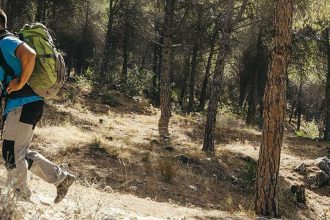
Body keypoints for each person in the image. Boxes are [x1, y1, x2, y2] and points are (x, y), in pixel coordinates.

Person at [0, 9, 75, 203]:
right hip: (24, 104)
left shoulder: (5, 41)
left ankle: (19, 199)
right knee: (18, 151)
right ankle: (61, 178)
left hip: (24, 103)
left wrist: (20, 83)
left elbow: (30, 55)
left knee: (12, 152)